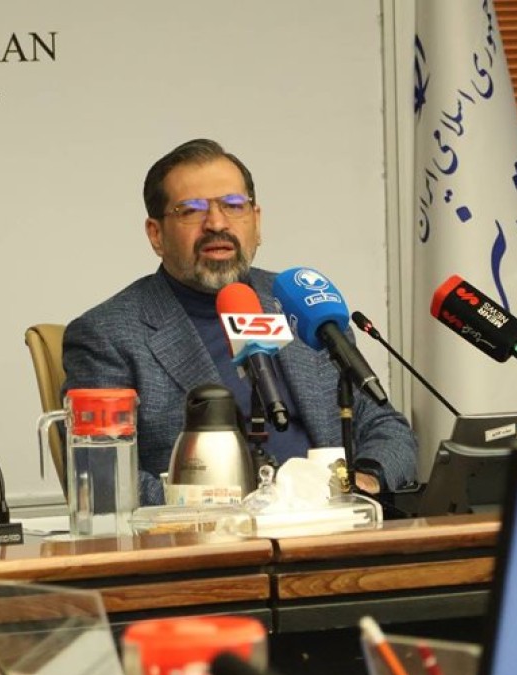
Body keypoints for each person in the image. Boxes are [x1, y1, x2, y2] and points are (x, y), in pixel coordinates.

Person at [62, 138, 418, 505]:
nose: (216, 223)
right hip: (210, 534)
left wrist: (360, 484)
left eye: (233, 206)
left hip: (332, 521)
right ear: (156, 234)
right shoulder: (108, 334)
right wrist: (229, 510)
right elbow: (101, 472)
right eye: (191, 211)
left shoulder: (302, 303)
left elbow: (384, 426)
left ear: (256, 221)